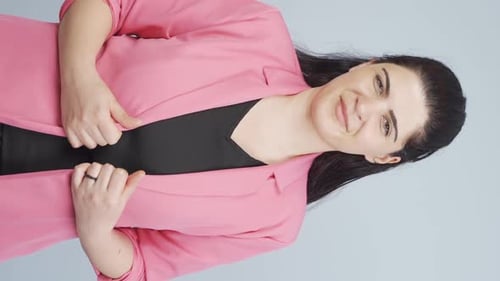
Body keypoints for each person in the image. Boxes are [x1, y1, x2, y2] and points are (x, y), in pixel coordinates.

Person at [0, 0, 466, 280]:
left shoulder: (273, 221)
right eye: (381, 83)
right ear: (367, 65)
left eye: (386, 125)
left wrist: (96, 229)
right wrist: (80, 75)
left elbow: (139, 269)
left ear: (381, 156)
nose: (364, 105)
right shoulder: (257, 27)